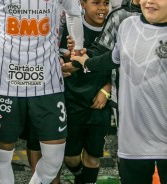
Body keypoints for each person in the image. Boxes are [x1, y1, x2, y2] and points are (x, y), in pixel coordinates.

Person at [0, 0, 84, 183]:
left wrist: (78, 53)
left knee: (53, 159)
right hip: (4, 81)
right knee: (1, 157)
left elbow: (74, 13)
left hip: (48, 82)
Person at [71, 0, 167, 183]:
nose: (150, 1)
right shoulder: (127, 25)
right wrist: (84, 62)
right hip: (132, 142)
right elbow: (112, 58)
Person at [58, 0, 111, 183]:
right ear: (82, 3)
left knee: (93, 157)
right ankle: (82, 179)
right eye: (96, 2)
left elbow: (120, 63)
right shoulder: (73, 25)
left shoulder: (113, 26)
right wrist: (68, 59)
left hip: (99, 104)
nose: (102, 8)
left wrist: (107, 88)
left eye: (106, 2)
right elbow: (65, 63)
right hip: (73, 100)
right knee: (70, 158)